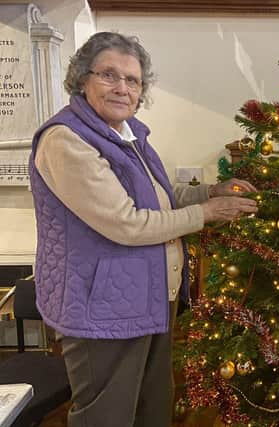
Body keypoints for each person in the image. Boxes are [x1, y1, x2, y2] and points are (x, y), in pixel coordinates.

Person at [28, 32, 258, 427]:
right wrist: (206, 211)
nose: (122, 88)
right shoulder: (66, 140)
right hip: (101, 307)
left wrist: (209, 190)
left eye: (132, 80)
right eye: (109, 75)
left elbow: (155, 194)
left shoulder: (127, 133)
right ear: (83, 79)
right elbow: (126, 222)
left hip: (146, 298)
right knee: (108, 416)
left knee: (151, 408)